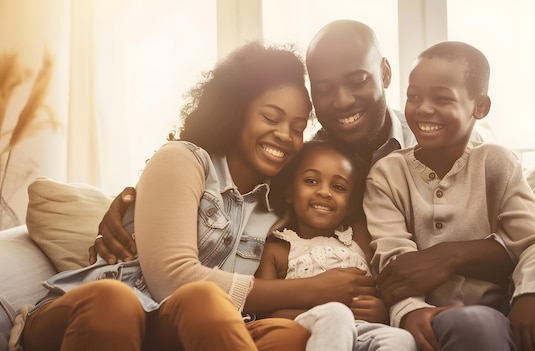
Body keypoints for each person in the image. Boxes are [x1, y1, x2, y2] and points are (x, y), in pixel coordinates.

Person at [89, 21, 513, 315]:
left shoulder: (438, 141)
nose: (343, 101)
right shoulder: (299, 164)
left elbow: (517, 233)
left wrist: (446, 257)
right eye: (325, 89)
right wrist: (135, 198)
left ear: (384, 73)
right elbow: (218, 190)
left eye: (358, 80)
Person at [13, 41, 364, 351]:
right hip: (100, 310)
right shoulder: (183, 159)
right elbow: (174, 278)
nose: (285, 135)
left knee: (287, 335)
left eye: (298, 127)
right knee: (123, 301)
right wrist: (312, 290)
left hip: (180, 326)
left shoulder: (280, 206)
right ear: (236, 110)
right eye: (271, 117)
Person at [363, 40, 535, 351]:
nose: (423, 108)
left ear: (480, 107)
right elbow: (394, 262)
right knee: (476, 324)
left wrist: (532, 293)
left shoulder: (496, 161)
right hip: (448, 313)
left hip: (510, 296)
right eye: (414, 96)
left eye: (442, 98)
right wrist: (411, 311)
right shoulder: (387, 174)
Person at [255, 139, 417, 351]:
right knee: (336, 315)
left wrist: (380, 310)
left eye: (338, 187)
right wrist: (327, 309)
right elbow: (266, 312)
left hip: (359, 330)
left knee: (401, 339)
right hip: (302, 329)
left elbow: (380, 287)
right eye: (311, 181)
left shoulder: (358, 239)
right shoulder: (279, 248)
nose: (325, 192)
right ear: (289, 193)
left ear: (350, 205)